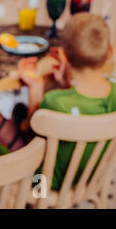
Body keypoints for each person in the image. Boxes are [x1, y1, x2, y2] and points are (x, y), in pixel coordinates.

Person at [20, 12, 115, 191]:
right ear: (110, 51)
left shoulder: (54, 101)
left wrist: (36, 89)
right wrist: (66, 85)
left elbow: (33, 136)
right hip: (89, 180)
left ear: (64, 55)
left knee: (14, 123)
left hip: (45, 184)